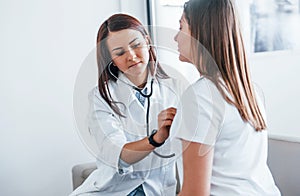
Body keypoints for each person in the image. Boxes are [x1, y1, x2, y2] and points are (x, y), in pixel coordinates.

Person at [172, 0, 281, 195]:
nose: (175, 37)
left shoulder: (201, 96)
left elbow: (195, 193)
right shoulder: (248, 90)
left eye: (181, 26)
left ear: (200, 32)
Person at [70, 13, 184, 196]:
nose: (131, 56)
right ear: (111, 59)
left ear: (147, 41)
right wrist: (156, 139)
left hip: (158, 190)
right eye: (120, 53)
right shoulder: (101, 96)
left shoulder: (176, 89)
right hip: (112, 190)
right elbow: (119, 155)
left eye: (136, 45)